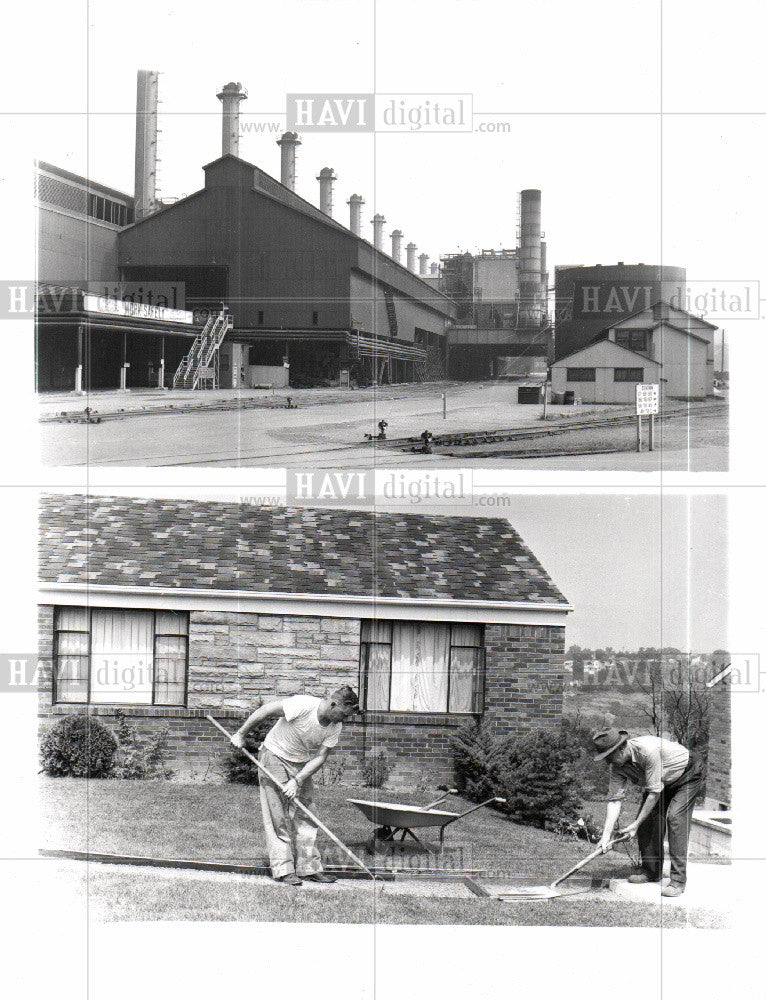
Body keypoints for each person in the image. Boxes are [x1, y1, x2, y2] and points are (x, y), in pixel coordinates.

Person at [232, 686, 360, 886]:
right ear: (334, 704)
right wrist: (241, 734)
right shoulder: (302, 705)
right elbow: (265, 711)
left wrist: (297, 780)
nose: (344, 719)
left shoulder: (335, 726)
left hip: (301, 764)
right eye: (344, 714)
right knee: (278, 815)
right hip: (274, 755)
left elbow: (320, 758)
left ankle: (309, 868)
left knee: (307, 814)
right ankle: (283, 869)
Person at [592, 726, 705, 897]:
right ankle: (652, 871)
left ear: (621, 748)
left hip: (688, 774)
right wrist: (605, 836)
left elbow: (653, 794)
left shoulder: (647, 751)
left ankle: (678, 881)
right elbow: (615, 800)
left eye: (609, 756)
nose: (608, 762)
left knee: (675, 818)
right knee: (647, 821)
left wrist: (634, 825)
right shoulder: (617, 766)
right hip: (663, 781)